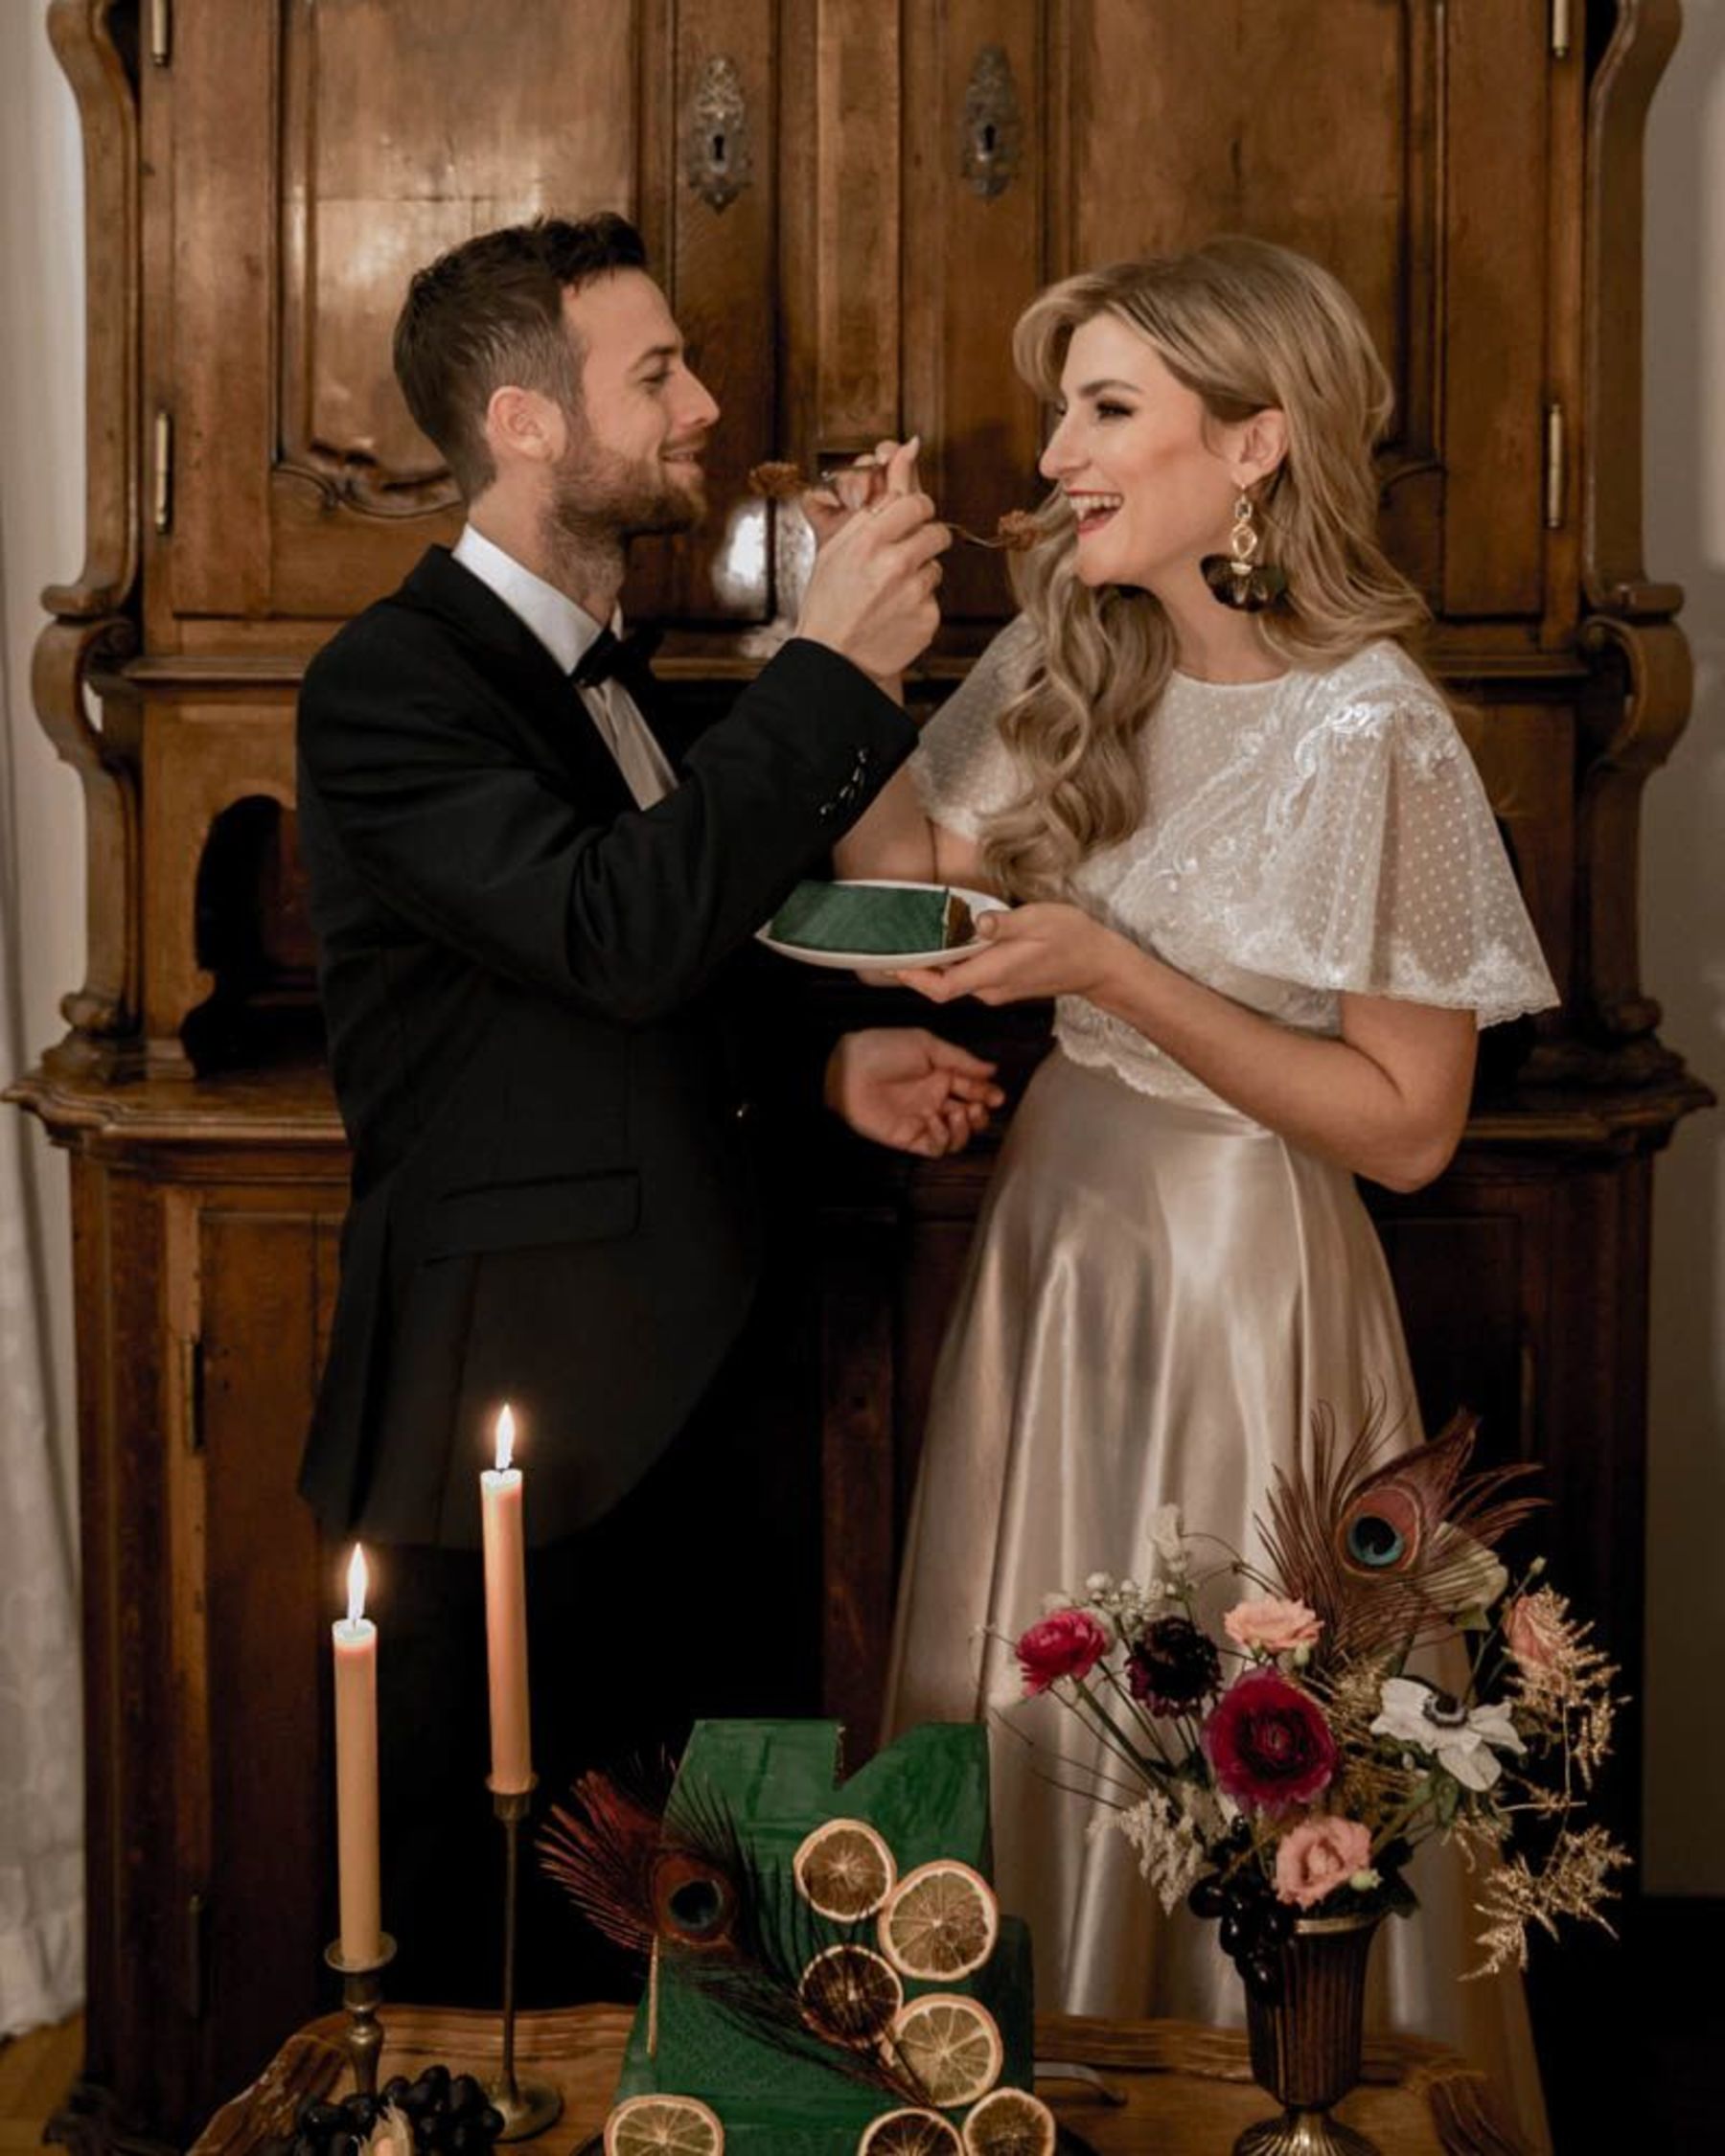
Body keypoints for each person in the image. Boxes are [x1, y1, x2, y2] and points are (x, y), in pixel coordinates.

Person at [837, 239, 1558, 2144]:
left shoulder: (1377, 727)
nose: (1055, 453)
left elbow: (1407, 1127)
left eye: (1106, 408)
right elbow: (905, 892)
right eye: (1060, 408)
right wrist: (860, 660)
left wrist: (1114, 972)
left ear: (1255, 443)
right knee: (1023, 1702)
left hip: (1250, 1278)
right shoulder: (1069, 653)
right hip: (1057, 1245)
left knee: (1244, 1735)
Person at [294, 212, 999, 2002]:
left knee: (703, 1944)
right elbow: (611, 934)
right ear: (525, 422)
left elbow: (675, 967)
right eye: (658, 373)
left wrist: (822, 1065)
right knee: (503, 1959)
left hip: (690, 1389)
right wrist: (825, 667)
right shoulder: (389, 683)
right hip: (512, 1433)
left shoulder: (614, 670)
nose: (702, 406)